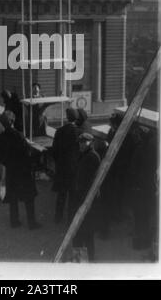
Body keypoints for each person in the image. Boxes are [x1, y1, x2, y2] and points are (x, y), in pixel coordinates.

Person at [0, 111, 40, 230]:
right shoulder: (19, 135)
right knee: (29, 197)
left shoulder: (2, 137)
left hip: (11, 171)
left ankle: (14, 221)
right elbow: (27, 153)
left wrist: (9, 163)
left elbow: (1, 157)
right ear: (12, 121)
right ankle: (31, 223)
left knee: (13, 197)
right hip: (23, 170)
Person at [69, 133, 100, 262]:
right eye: (80, 142)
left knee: (85, 233)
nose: (81, 144)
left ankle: (88, 261)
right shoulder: (84, 155)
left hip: (85, 200)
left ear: (91, 143)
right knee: (80, 233)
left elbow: (90, 180)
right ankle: (81, 260)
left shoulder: (92, 157)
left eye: (84, 142)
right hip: (80, 199)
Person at [52, 108, 83, 224]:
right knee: (72, 195)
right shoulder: (79, 132)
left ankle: (57, 218)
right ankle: (71, 219)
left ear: (67, 117)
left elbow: (54, 151)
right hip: (74, 168)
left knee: (61, 194)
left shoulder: (59, 131)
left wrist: (59, 163)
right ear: (76, 119)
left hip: (62, 167)